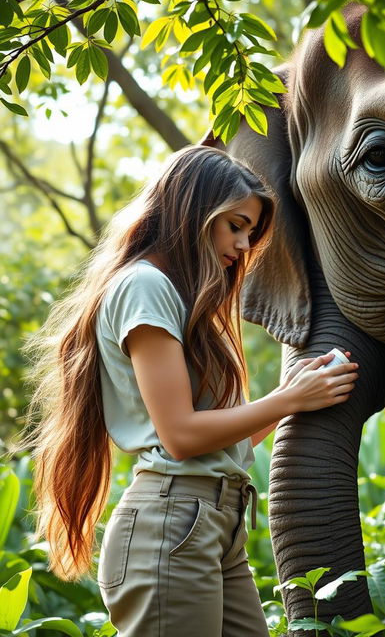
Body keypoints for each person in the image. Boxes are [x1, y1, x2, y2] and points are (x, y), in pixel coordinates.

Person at [23, 145, 359, 636]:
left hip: (214, 526)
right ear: (193, 211)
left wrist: (291, 395)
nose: (245, 245)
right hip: (172, 528)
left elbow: (217, 441)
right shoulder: (145, 285)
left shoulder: (181, 298)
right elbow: (180, 435)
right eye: (236, 225)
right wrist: (288, 400)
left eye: (251, 231)